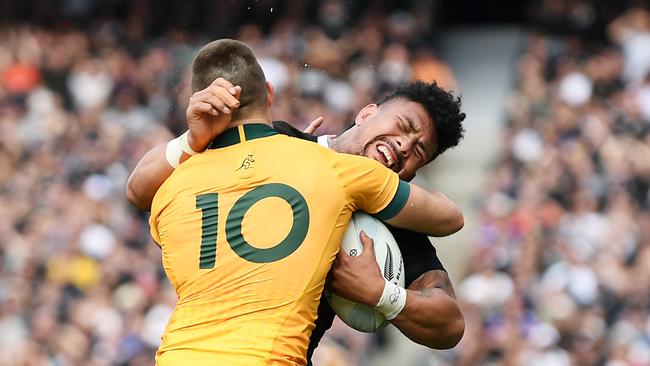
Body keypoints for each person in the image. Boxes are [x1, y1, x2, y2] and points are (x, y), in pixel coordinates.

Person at [143, 38, 462, 366]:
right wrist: (190, 139)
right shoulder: (279, 139)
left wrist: (384, 295)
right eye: (404, 126)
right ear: (367, 113)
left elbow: (450, 325)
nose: (405, 145)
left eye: (419, 151)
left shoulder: (392, 219)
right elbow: (141, 185)